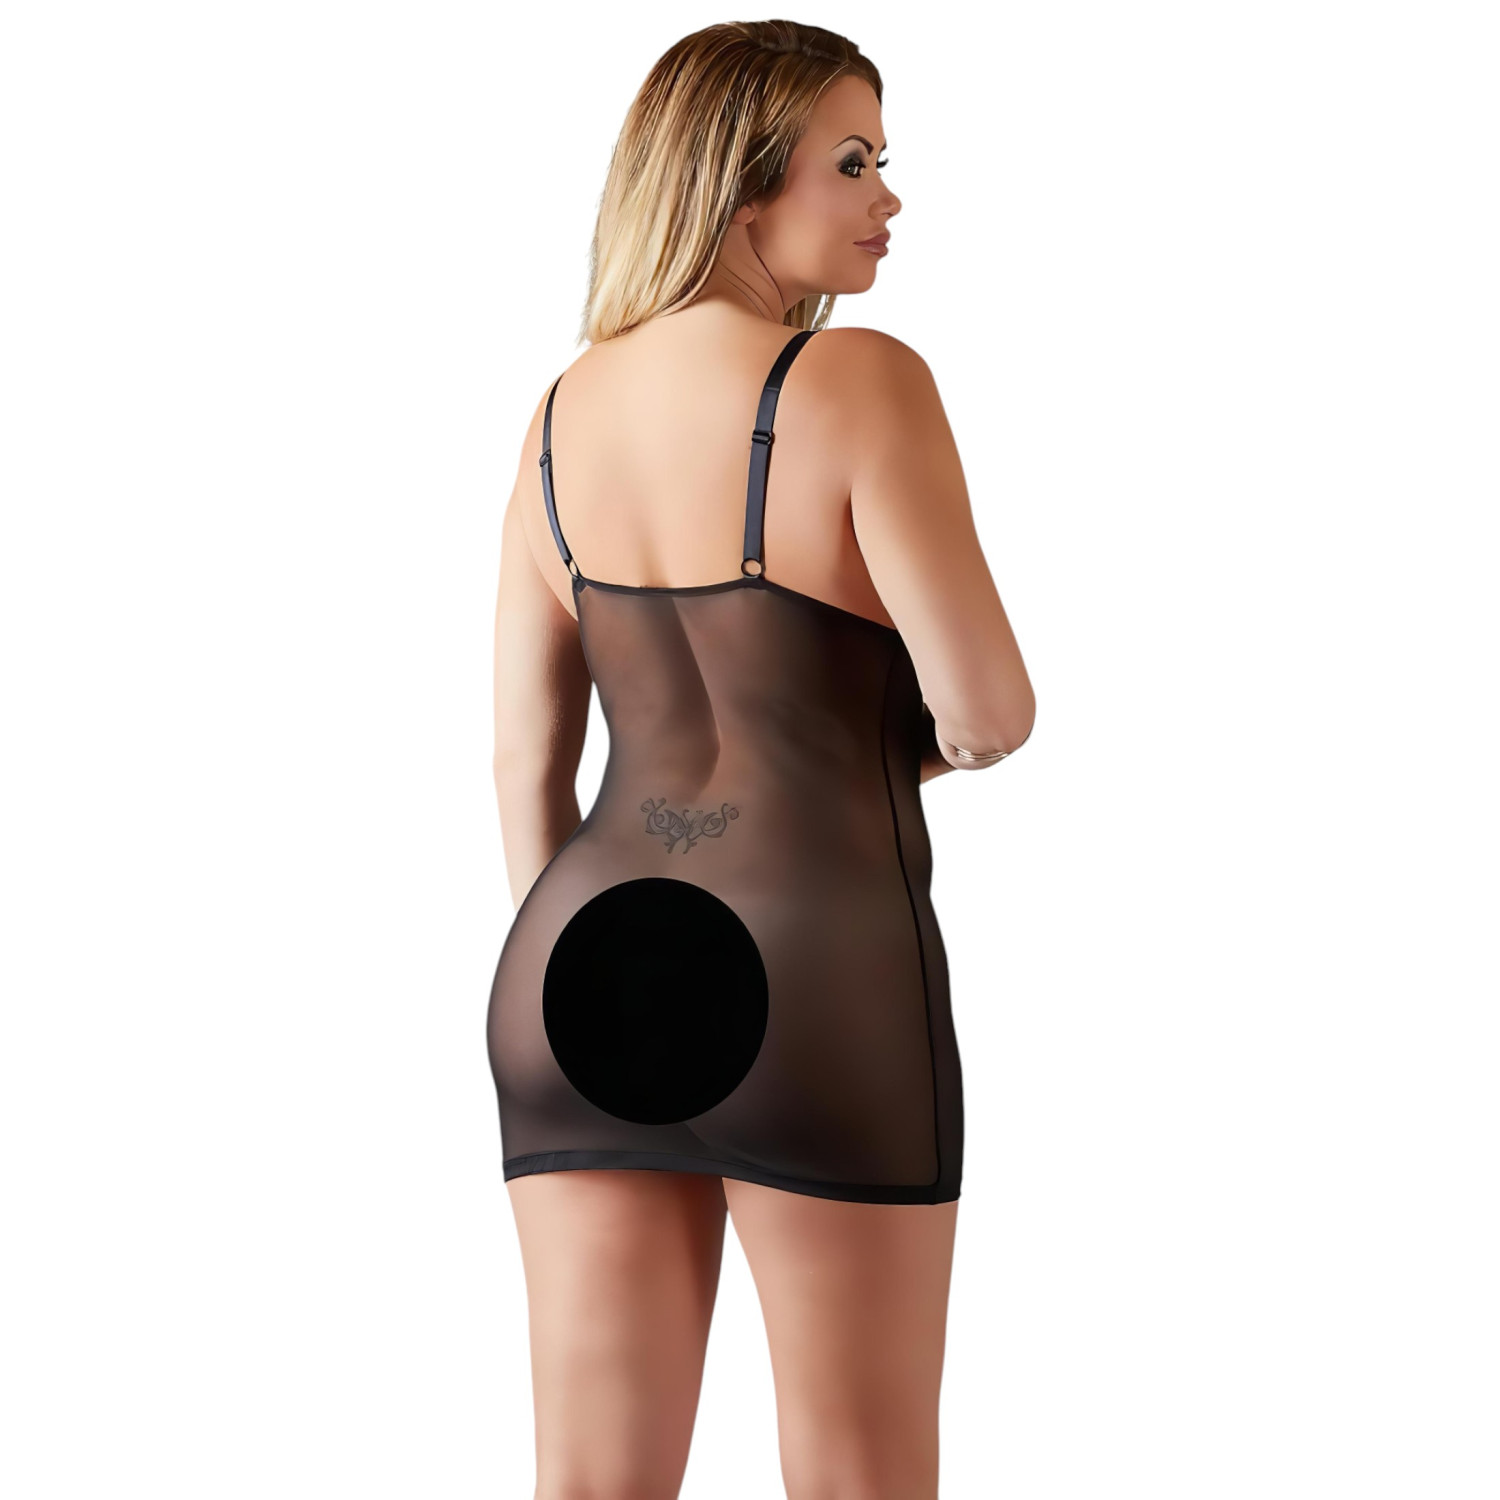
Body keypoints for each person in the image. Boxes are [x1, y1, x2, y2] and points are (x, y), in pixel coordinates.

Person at [487, 20, 1034, 1499]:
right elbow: (990, 710)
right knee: (860, 1473)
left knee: (591, 1483)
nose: (889, 198)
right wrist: (845, 759)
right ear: (737, 187)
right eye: (851, 162)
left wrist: (593, 966)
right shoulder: (860, 383)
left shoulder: (559, 415)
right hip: (819, 970)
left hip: (576, 965)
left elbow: (527, 762)